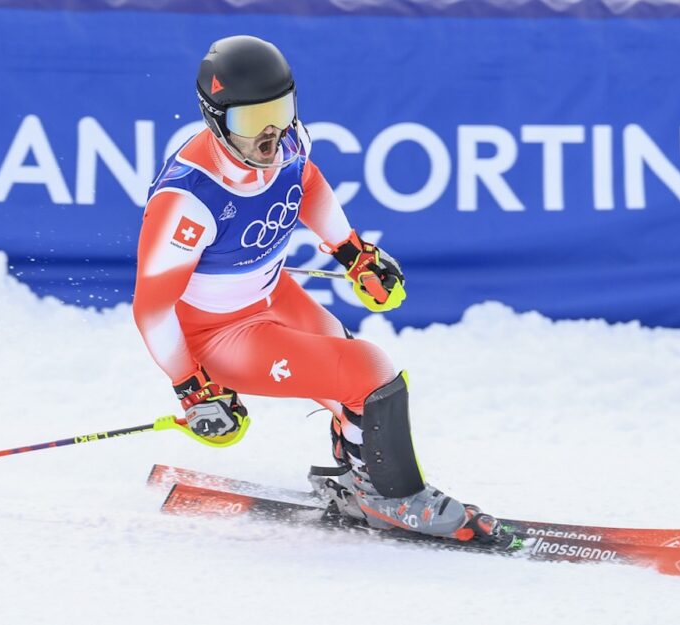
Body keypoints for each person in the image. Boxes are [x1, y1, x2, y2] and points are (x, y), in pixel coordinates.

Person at [133, 35, 500, 542]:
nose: (271, 135)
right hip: (218, 334)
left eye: (280, 111)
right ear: (216, 120)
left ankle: (361, 478)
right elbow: (152, 309)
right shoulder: (188, 200)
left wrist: (352, 252)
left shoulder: (287, 143)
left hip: (273, 295)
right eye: (250, 120)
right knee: (369, 372)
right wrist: (191, 388)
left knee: (358, 385)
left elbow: (304, 183)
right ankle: (392, 497)